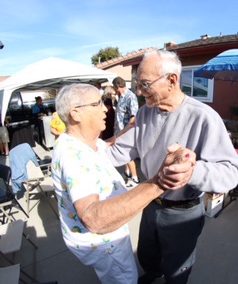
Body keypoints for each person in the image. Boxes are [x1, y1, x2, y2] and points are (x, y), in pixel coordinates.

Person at [107, 49, 238, 284]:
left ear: (172, 80)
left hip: (183, 213)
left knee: (177, 269)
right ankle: (153, 273)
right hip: (149, 204)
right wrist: (81, 148)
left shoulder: (204, 117)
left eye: (145, 84)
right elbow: (118, 151)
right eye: (137, 83)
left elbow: (230, 172)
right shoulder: (145, 113)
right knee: (148, 254)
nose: (138, 91)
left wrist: (193, 171)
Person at [51, 83, 195, 284]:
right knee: (124, 279)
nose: (105, 108)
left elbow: (108, 144)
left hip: (106, 237)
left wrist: (130, 127)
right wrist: (159, 182)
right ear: (76, 114)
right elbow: (94, 219)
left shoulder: (84, 142)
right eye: (97, 103)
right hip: (104, 243)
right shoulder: (73, 157)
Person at [112, 76, 140, 188]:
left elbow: (134, 118)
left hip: (126, 132)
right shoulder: (121, 97)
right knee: (122, 155)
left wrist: (124, 131)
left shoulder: (130, 97)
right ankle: (128, 175)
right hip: (119, 131)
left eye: (114, 87)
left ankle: (135, 178)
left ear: (118, 86)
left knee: (127, 155)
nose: (114, 90)